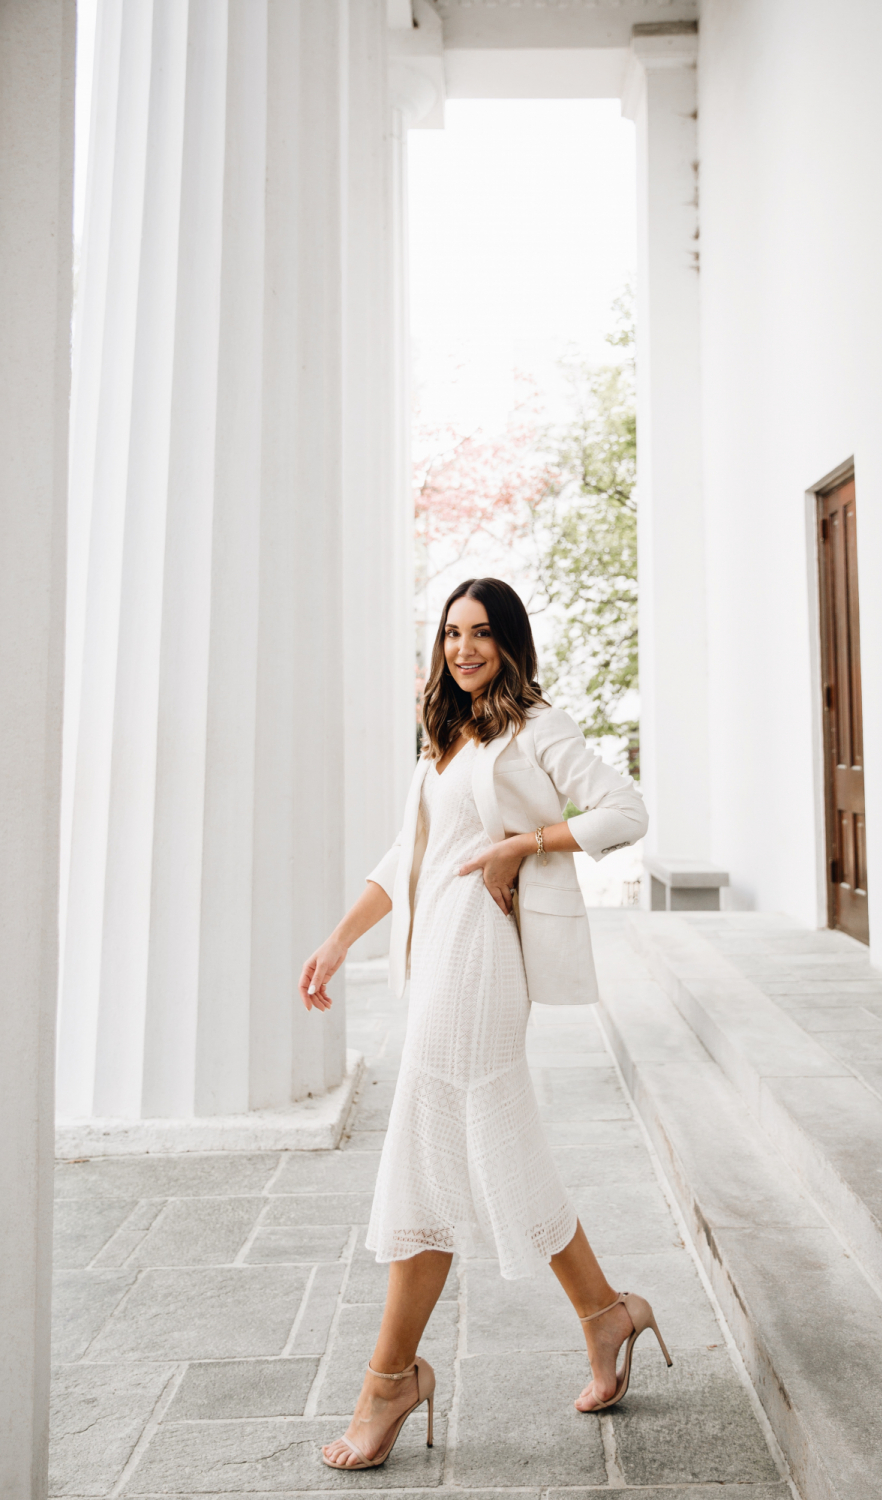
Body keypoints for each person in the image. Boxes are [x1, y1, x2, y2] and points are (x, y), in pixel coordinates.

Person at [299, 577, 671, 1471]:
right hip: (437, 962)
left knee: (427, 1144)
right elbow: (408, 856)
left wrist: (524, 845)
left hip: (483, 962)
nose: (463, 649)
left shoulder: (537, 726)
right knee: (502, 1151)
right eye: (451, 634)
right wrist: (338, 941)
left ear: (509, 641)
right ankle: (606, 1313)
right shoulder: (445, 734)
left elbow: (627, 812)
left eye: (480, 634)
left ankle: (389, 1377)